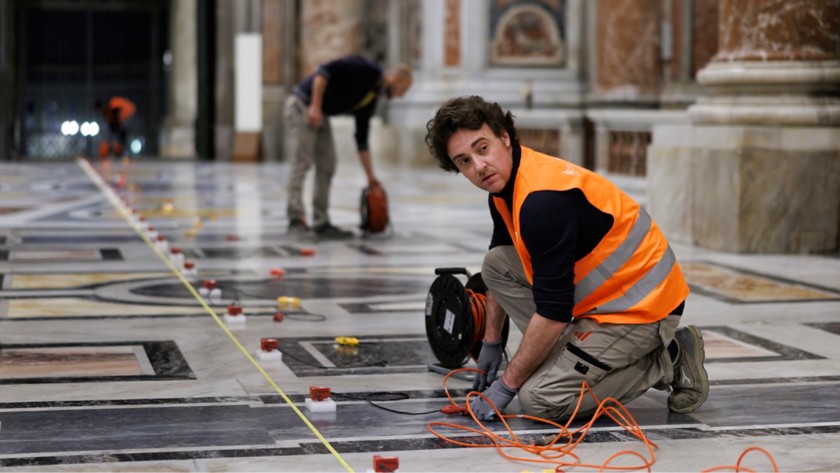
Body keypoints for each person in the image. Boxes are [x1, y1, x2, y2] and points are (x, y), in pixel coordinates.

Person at [424, 96, 708, 422]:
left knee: (539, 399)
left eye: (482, 148)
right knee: (495, 265)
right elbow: (499, 271)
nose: (478, 166)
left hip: (643, 309)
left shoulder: (542, 202)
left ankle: (669, 358)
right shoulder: (506, 188)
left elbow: (554, 312)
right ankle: (572, 357)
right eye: (464, 161)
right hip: (604, 296)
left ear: (504, 137)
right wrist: (490, 341)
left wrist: (506, 385)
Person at [285, 55, 413, 240]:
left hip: (321, 112)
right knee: (302, 163)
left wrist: (371, 177)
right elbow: (324, 72)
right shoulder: (367, 69)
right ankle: (295, 220)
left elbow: (361, 140)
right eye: (404, 89)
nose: (402, 95)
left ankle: (321, 223)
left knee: (328, 165)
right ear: (396, 79)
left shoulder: (372, 97)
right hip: (304, 105)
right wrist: (315, 105)